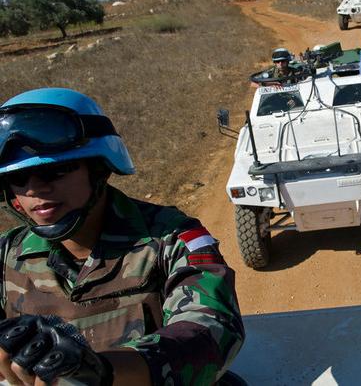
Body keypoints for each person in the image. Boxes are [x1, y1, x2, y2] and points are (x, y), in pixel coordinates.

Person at [0, 88, 244, 385]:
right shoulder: (6, 253)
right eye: (17, 178)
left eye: (56, 170)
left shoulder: (171, 239)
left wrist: (101, 371)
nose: (34, 189)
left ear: (99, 168)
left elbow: (212, 330)